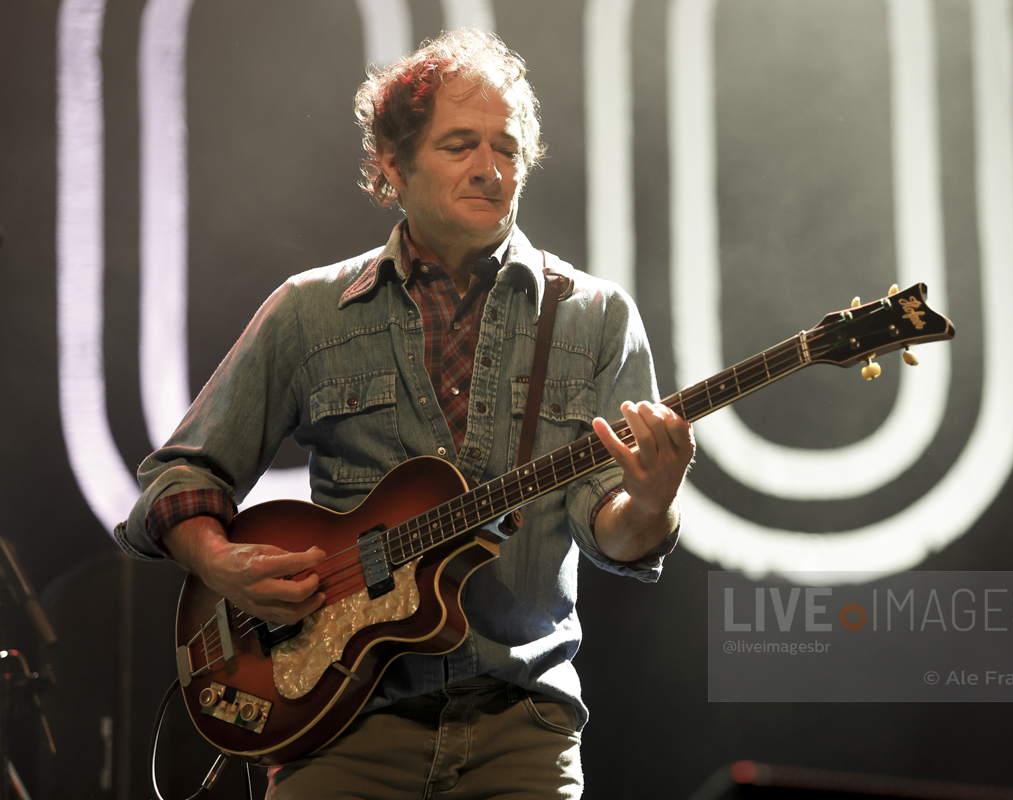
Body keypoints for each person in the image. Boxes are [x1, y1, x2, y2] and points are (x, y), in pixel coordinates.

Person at [114, 29, 693, 799]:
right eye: (460, 145)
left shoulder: (596, 318)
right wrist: (222, 565)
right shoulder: (309, 311)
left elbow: (613, 534)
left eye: (507, 148)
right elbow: (178, 477)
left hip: (521, 731)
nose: (490, 169)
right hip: (339, 732)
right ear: (392, 162)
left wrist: (651, 502)